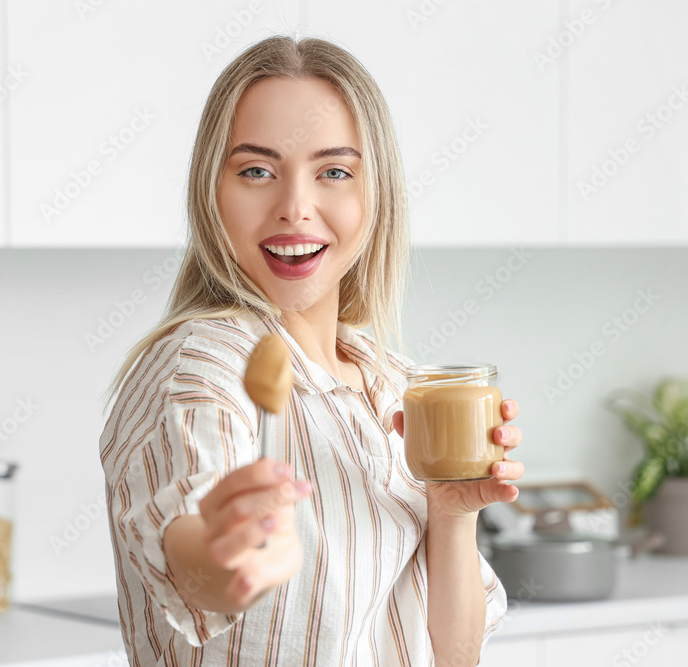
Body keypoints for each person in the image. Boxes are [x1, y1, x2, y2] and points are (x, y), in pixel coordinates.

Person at [98, 34, 525, 666]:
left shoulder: (394, 383)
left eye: (334, 172)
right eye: (256, 172)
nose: (295, 208)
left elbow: (452, 657)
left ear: (374, 194)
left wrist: (451, 510)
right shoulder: (204, 364)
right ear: (211, 192)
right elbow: (189, 560)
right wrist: (223, 553)